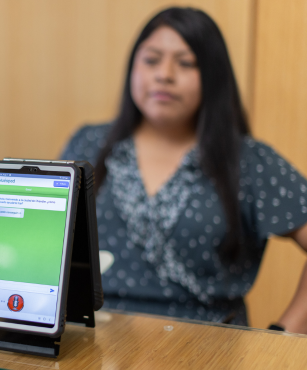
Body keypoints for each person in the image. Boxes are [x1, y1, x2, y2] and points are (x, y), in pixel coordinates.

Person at [61, 7, 307, 332]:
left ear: (214, 77)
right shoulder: (88, 144)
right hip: (95, 345)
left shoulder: (249, 160)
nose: (164, 74)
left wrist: (283, 336)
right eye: (151, 60)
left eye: (186, 63)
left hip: (207, 357)